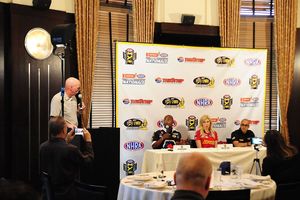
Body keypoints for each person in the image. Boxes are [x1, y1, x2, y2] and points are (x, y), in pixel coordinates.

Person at [40, 116, 94, 200]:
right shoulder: (71, 149)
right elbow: (88, 160)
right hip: (67, 194)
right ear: (63, 130)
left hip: (48, 194)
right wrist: (88, 141)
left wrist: (66, 141)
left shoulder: (43, 147)